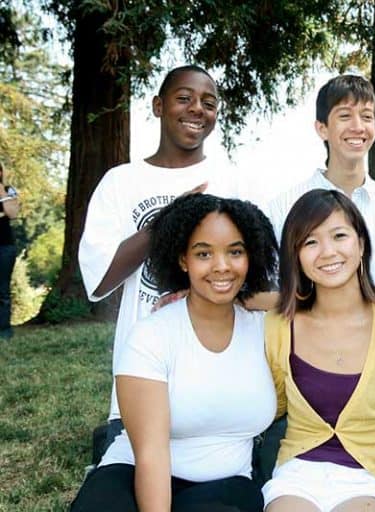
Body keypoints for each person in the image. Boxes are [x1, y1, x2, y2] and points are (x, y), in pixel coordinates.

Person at [70, 194, 278, 511]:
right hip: (137, 468)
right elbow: (152, 453)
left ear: (251, 257)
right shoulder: (152, 335)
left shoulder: (266, 330)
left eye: (235, 252)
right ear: (183, 260)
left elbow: (312, 303)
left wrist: (245, 298)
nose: (221, 266)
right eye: (204, 253)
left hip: (226, 486)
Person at [78, 65, 239, 448]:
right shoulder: (121, 182)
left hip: (213, 381)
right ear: (158, 106)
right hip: (141, 375)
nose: (197, 108)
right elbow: (98, 282)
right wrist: (167, 223)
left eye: (209, 102)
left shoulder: (232, 180)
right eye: (184, 98)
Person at [262, 189, 375, 512]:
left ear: (361, 244)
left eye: (339, 236)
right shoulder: (279, 325)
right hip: (296, 475)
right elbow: (273, 405)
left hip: (367, 479)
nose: (327, 252)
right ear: (295, 254)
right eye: (310, 242)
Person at [264, 74, 375, 287]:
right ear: (322, 128)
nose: (358, 126)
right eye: (345, 116)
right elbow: (272, 286)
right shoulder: (282, 208)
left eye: (367, 117)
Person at [0, 161, 19, 339]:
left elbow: (12, 213)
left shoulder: (8, 190)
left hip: (4, 247)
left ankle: (4, 330)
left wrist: (0, 191)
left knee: (2, 290)